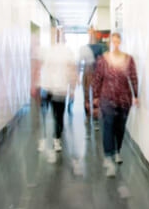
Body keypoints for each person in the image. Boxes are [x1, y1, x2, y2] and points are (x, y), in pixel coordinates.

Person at [92, 32, 138, 177]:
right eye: (114, 40)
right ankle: (108, 156)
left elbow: (133, 77)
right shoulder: (103, 59)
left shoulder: (128, 59)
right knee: (108, 126)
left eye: (118, 40)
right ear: (111, 42)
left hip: (124, 99)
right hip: (107, 99)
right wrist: (95, 96)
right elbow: (97, 77)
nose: (116, 43)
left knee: (120, 127)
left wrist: (136, 95)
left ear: (121, 42)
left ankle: (117, 150)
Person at [39, 31, 76, 163]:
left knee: (58, 115)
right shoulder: (50, 51)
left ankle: (56, 138)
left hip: (59, 89)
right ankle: (49, 138)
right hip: (48, 88)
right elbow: (44, 68)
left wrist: (72, 89)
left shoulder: (68, 52)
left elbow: (72, 70)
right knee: (50, 114)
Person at [78, 28, 107, 130]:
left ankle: (95, 119)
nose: (91, 35)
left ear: (95, 34)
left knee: (95, 97)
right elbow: (79, 61)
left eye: (92, 33)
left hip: (96, 74)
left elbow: (103, 61)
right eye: (89, 33)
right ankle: (87, 116)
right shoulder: (84, 47)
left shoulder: (100, 47)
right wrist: (78, 75)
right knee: (86, 96)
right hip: (86, 73)